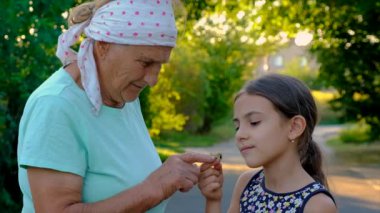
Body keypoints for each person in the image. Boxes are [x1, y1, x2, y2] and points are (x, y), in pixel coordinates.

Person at [17, 0, 217, 212]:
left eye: (160, 65)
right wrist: (156, 187)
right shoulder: (57, 106)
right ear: (104, 46)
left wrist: (170, 174)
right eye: (146, 63)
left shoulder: (123, 96)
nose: (153, 80)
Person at [198, 74, 337, 212]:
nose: (239, 134)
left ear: (295, 127)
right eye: (237, 126)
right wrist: (213, 200)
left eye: (254, 122)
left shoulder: (317, 205)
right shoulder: (247, 184)